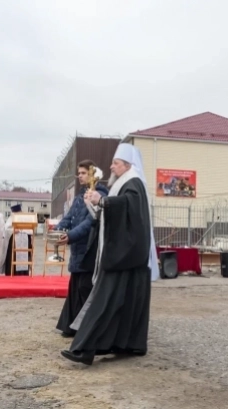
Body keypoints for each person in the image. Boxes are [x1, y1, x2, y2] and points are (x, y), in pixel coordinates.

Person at [60, 143, 156, 366]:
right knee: (127, 303)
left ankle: (85, 349)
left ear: (127, 165)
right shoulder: (123, 184)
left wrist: (101, 201)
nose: (111, 167)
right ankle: (129, 344)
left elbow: (126, 207)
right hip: (125, 256)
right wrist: (95, 205)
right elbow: (109, 216)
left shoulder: (133, 184)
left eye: (116, 163)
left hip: (123, 256)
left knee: (102, 303)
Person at [55, 159, 109, 338]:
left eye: (84, 173)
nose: (80, 176)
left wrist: (70, 236)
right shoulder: (80, 196)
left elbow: (90, 222)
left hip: (90, 247)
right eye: (79, 173)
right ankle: (71, 326)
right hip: (78, 247)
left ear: (93, 174)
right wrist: (57, 230)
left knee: (85, 287)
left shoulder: (98, 195)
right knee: (75, 286)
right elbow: (69, 217)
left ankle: (86, 328)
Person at [1, 204, 33, 276]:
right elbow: (6, 229)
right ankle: (12, 273)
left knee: (24, 257)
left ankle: (23, 274)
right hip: (13, 242)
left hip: (24, 241)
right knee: (13, 256)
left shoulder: (25, 218)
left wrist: (23, 230)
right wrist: (13, 230)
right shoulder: (10, 219)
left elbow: (30, 229)